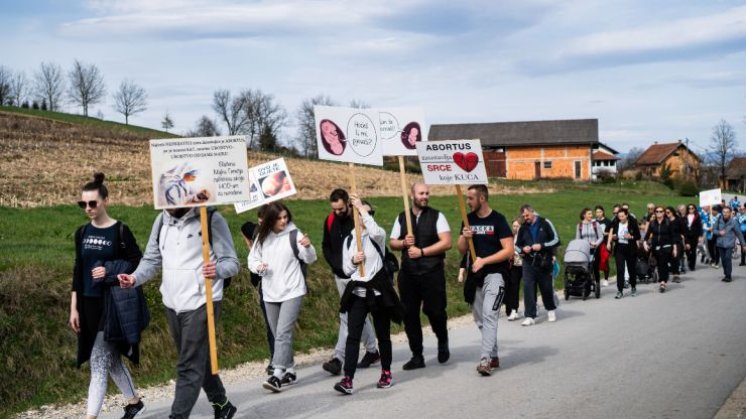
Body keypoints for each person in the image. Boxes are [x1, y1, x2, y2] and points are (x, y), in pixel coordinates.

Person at [118, 204, 239, 419]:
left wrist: (218, 269)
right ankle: (222, 403)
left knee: (189, 365)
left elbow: (231, 262)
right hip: (172, 302)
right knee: (196, 358)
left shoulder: (211, 219)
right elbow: (152, 260)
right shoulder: (161, 220)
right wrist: (135, 278)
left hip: (203, 301)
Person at [70, 173, 146, 419]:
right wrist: (74, 308)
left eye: (93, 203)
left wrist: (110, 272)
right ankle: (134, 401)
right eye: (84, 204)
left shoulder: (120, 231)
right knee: (111, 360)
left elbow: (137, 263)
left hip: (112, 304)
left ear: (105, 201)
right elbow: (78, 271)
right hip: (87, 303)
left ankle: (90, 417)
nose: (88, 208)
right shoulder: (81, 233)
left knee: (99, 361)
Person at [334, 197, 404, 394]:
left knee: (383, 335)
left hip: (378, 292)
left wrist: (361, 209)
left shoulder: (377, 235)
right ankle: (348, 379)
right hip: (359, 292)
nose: (367, 217)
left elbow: (374, 229)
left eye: (370, 213)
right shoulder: (349, 239)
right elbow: (346, 270)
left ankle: (386, 372)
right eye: (362, 213)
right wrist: (355, 261)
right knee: (353, 335)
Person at [249, 202, 317, 392]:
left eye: (286, 217)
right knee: (277, 333)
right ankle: (290, 370)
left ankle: (276, 374)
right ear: (270, 219)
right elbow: (252, 260)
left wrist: (308, 246)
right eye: (279, 218)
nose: (284, 221)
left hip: (293, 290)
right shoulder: (262, 237)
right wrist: (258, 267)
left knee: (282, 333)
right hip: (270, 292)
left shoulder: (295, 234)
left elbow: (310, 258)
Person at [389, 183, 452, 369]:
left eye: (427, 193)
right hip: (408, 274)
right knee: (409, 315)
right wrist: (403, 243)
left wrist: (423, 252)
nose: (425, 196)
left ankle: (442, 340)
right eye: (421, 193)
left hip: (432, 272)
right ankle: (417, 355)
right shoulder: (402, 217)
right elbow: (392, 242)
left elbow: (447, 242)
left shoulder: (437, 216)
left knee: (435, 311)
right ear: (412, 195)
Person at [321, 189, 379, 375]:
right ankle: (372, 350)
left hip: (359, 277)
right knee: (356, 315)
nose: (337, 212)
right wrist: (336, 265)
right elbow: (326, 245)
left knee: (347, 316)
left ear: (347, 203)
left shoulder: (358, 218)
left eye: (340, 208)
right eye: (334, 209)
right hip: (341, 274)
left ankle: (338, 358)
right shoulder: (330, 221)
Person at [457, 185, 514, 376]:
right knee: (480, 319)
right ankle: (494, 354)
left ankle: (485, 359)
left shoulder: (498, 220)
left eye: (471, 198)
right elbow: (461, 249)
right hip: (476, 276)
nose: (468, 201)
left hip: (496, 274)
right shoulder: (468, 220)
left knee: (490, 314)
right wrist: (465, 238)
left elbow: (508, 250)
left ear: (482, 199)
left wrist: (484, 261)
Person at [240, 211, 275, 376]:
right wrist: (251, 246)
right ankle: (277, 359)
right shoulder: (257, 235)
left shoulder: (280, 236)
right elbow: (244, 228)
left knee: (280, 326)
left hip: (284, 286)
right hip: (266, 287)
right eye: (260, 221)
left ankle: (282, 359)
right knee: (271, 325)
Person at [515, 204, 560, 326]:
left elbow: (556, 240)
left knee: (546, 288)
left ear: (532, 212)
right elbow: (517, 245)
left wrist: (542, 246)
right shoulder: (523, 227)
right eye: (523, 216)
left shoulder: (545, 223)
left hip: (544, 261)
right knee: (528, 288)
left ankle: (550, 309)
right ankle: (530, 316)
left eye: (527, 215)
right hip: (529, 263)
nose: (526, 218)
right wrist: (523, 249)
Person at [643, 206, 676, 293]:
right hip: (656, 247)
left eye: (661, 211)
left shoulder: (668, 222)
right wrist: (644, 242)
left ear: (664, 213)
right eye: (657, 211)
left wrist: (674, 248)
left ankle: (662, 282)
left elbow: (673, 236)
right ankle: (664, 279)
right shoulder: (652, 223)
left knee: (663, 263)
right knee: (660, 264)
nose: (659, 213)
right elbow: (647, 235)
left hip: (666, 246)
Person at [610, 208, 641, 298]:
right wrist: (614, 237)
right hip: (619, 248)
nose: (621, 218)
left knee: (631, 269)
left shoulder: (633, 222)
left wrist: (630, 236)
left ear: (627, 215)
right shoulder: (616, 222)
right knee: (620, 270)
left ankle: (633, 287)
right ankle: (620, 290)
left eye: (622, 216)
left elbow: (638, 236)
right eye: (619, 216)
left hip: (630, 248)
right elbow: (613, 235)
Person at [713, 206, 746, 282]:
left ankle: (728, 276)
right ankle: (726, 273)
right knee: (723, 260)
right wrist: (719, 232)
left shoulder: (734, 222)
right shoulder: (718, 220)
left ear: (730, 213)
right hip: (720, 243)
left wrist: (743, 245)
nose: (725, 214)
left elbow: (739, 234)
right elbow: (714, 230)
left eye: (727, 212)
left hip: (729, 244)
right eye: (724, 212)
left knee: (727, 259)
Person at [575, 208, 604, 289]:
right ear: (584, 215)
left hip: (594, 249)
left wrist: (596, 244)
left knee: (595, 267)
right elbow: (577, 239)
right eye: (589, 214)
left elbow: (601, 237)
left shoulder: (595, 224)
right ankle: (585, 283)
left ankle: (597, 284)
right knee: (584, 267)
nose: (591, 215)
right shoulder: (579, 225)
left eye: (591, 214)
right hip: (584, 251)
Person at [505, 218, 524, 321]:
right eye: (514, 226)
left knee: (529, 287)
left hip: (526, 264)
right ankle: (514, 310)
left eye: (518, 226)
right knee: (513, 287)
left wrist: (515, 248)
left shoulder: (525, 236)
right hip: (514, 265)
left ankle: (533, 306)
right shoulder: (510, 237)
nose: (516, 228)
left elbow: (524, 250)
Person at [665, 206, 685, 282]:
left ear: (672, 212)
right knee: (668, 258)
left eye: (668, 212)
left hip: (677, 241)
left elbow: (683, 231)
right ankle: (667, 273)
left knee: (675, 257)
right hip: (667, 241)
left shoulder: (678, 220)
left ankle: (676, 275)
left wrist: (685, 242)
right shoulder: (665, 221)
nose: (667, 214)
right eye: (666, 213)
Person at [595, 205, 612, 285]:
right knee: (596, 261)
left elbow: (612, 233)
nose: (598, 213)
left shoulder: (608, 221)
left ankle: (606, 279)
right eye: (597, 212)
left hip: (604, 243)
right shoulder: (594, 222)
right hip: (596, 244)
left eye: (600, 212)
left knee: (605, 260)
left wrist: (606, 233)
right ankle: (596, 279)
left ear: (603, 212)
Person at [683, 204, 703, 272]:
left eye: (692, 208)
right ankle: (689, 258)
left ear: (694, 209)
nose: (691, 210)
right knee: (687, 250)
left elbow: (700, 226)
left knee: (693, 250)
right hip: (687, 235)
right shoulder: (685, 216)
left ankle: (692, 265)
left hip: (695, 235)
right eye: (689, 208)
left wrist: (700, 235)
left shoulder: (697, 216)